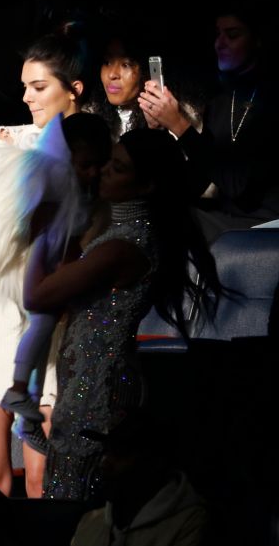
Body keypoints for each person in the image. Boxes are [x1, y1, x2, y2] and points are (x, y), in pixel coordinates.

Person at [27, 129, 223, 501]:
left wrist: (45, 220)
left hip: (98, 387)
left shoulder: (125, 244)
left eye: (117, 168)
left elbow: (39, 295)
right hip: (88, 377)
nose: (102, 171)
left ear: (146, 185)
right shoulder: (121, 235)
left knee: (78, 501)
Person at [0, 32, 88, 498]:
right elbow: (2, 230)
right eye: (24, 86)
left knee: (44, 477)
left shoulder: (100, 151)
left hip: (52, 316)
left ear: (75, 89)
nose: (26, 97)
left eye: (39, 86)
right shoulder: (2, 141)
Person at [0, 113, 112, 424]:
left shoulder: (81, 197)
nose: (91, 173)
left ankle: (28, 402)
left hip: (58, 263)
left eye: (97, 167)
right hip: (47, 258)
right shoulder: (52, 197)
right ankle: (18, 389)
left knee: (46, 328)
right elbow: (49, 246)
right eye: (84, 165)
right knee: (41, 321)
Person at [138, 7, 279, 242]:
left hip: (268, 226)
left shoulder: (272, 101)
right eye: (218, 34)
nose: (219, 44)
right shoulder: (221, 102)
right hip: (229, 221)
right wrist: (161, 130)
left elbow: (238, 186)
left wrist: (180, 125)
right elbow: (195, 182)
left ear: (258, 40)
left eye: (232, 35)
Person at [70, 410, 208, 546]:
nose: (104, 463)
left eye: (120, 453)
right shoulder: (90, 522)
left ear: (155, 462)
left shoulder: (189, 524)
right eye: (105, 451)